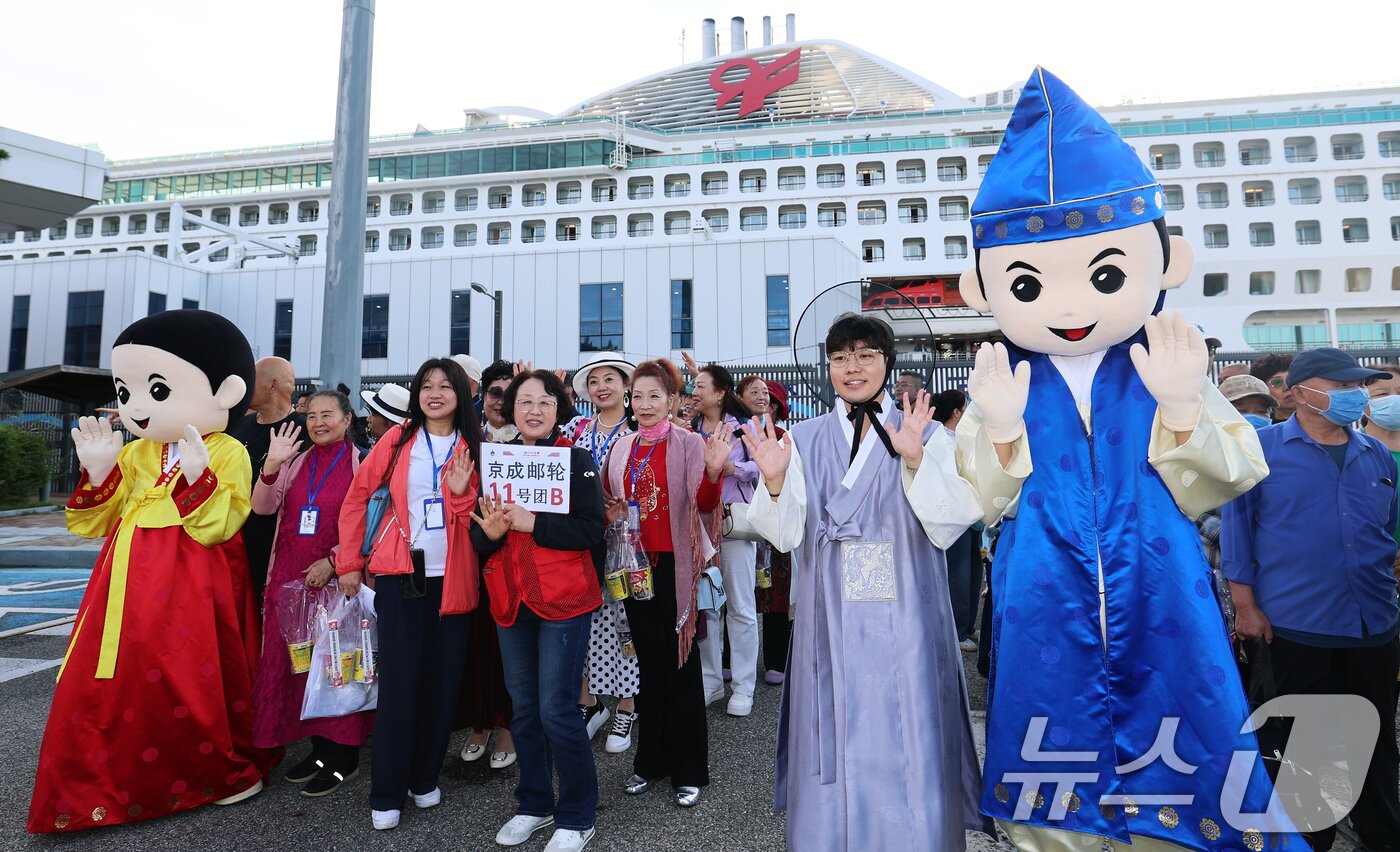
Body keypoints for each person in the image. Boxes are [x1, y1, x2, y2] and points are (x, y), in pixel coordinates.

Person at [958, 68, 1289, 850]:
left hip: (1161, 596)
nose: (1070, 306)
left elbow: (1234, 472)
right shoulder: (1007, 379)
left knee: (1184, 761)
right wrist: (1001, 432)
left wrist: (1181, 407)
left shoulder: (1162, 359)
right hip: (1045, 601)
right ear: (984, 286)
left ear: (1163, 263)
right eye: (1032, 282)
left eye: (1104, 273)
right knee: (1053, 769)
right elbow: (984, 500)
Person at [743, 313, 989, 850]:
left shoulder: (918, 429)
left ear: (888, 362)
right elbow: (783, 535)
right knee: (834, 724)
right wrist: (777, 480)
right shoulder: (802, 438)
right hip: (828, 610)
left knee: (908, 727)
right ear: (827, 367)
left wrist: (919, 459)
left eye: (865, 355)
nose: (852, 367)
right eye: (840, 357)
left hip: (908, 613)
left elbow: (951, 523)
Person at [29, 309, 270, 833]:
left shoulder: (227, 448)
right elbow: (95, 522)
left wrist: (197, 479)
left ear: (226, 391)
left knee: (186, 672)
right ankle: (104, 782)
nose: (137, 407)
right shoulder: (138, 452)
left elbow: (221, 524)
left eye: (155, 390)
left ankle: (213, 772)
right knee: (110, 676)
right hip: (123, 580)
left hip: (192, 581)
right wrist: (97, 472)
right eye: (126, 390)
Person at [1222, 348, 1400, 852]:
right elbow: (1237, 533)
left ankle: (1382, 837)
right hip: (1296, 625)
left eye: (1357, 387)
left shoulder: (1376, 455)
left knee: (1376, 739)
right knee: (1301, 745)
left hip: (1374, 625)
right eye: (1340, 386)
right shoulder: (1261, 450)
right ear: (1297, 393)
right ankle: (1304, 842)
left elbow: (1384, 532)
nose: (1354, 396)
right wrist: (1247, 607)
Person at [336, 357, 482, 831]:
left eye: (445, 386)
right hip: (401, 575)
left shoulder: (478, 446)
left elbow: (481, 515)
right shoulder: (398, 441)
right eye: (426, 386)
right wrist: (349, 565)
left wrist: (459, 494)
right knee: (400, 685)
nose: (434, 393)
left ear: (462, 394)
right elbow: (358, 498)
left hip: (455, 577)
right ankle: (387, 790)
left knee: (442, 685)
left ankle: (424, 777)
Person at [472, 369, 607, 852]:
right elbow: (478, 534)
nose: (533, 410)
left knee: (557, 709)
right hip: (511, 597)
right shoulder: (494, 462)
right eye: (523, 401)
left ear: (558, 409)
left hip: (563, 597)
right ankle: (534, 803)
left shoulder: (575, 460)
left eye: (544, 402)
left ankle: (577, 813)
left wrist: (535, 523)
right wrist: (486, 536)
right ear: (511, 411)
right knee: (524, 709)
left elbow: (592, 529)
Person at [600, 359, 728, 807]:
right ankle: (649, 763)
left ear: (674, 400)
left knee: (681, 665)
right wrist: (611, 513)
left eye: (656, 396)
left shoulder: (691, 443)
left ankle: (689, 769)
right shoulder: (622, 448)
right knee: (649, 666)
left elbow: (706, 504)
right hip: (634, 567)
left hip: (676, 567)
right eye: (638, 396)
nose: (646, 404)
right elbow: (607, 502)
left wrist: (713, 473)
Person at [250, 390, 372, 798]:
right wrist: (270, 465)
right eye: (312, 416)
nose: (318, 422)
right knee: (300, 667)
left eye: (328, 415)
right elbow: (264, 509)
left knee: (339, 666)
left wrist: (335, 562)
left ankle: (344, 757)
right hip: (289, 583)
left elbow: (371, 522)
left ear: (347, 418)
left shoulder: (362, 462)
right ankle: (320, 751)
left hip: (337, 583)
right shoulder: (296, 460)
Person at [568, 352, 641, 753]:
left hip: (626, 541)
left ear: (625, 385)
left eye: (609, 378)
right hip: (583, 540)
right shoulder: (576, 429)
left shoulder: (637, 430)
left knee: (625, 623)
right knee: (584, 619)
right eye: (594, 381)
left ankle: (627, 705)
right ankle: (589, 701)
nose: (602, 387)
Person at [458, 360, 521, 770]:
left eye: (508, 393)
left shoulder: (533, 439)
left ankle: (508, 727)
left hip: (518, 554)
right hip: (472, 553)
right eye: (494, 392)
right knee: (476, 644)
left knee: (510, 649)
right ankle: (478, 723)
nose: (501, 401)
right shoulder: (468, 436)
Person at [690, 364, 759, 716]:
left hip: (733, 525)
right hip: (699, 528)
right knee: (707, 607)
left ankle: (744, 686)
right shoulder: (689, 430)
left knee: (742, 607)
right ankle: (711, 681)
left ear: (719, 393)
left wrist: (730, 468)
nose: (694, 390)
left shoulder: (741, 428)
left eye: (700, 385)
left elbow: (761, 468)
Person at [228, 356, 308, 601]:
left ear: (273, 386)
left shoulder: (304, 431)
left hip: (277, 544)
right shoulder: (237, 425)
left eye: (251, 381)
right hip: (234, 540)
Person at [934, 388, 983, 652]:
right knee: (959, 574)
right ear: (956, 412)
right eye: (966, 408)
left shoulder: (961, 437)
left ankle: (968, 625)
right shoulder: (940, 438)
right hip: (954, 515)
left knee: (973, 571)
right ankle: (958, 629)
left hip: (971, 514)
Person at [753, 380, 792, 686]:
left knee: (776, 595)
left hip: (776, 524)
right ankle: (728, 661)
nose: (759, 401)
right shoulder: (736, 431)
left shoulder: (785, 438)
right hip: (739, 526)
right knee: (736, 595)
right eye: (752, 394)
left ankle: (776, 659)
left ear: (776, 406)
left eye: (765, 397)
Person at [1251, 352, 1296, 423]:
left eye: (1292, 379)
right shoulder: (1259, 428)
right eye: (1277, 382)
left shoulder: (1318, 423)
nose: (1287, 387)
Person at [481, 359, 518, 443]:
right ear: (484, 397)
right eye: (496, 393)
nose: (501, 402)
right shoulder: (468, 440)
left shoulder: (532, 443)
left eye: (510, 396)